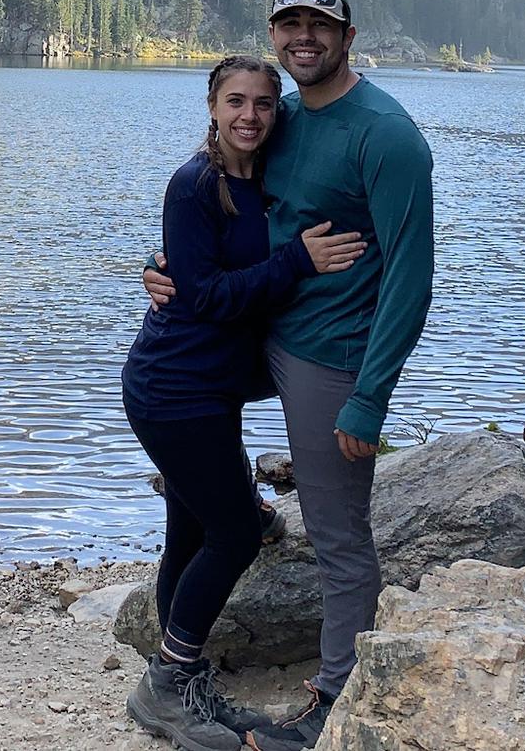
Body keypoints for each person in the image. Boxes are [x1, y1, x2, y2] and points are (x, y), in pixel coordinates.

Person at [145, 0, 435, 751]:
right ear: (275, 36)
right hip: (255, 344)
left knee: (340, 536)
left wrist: (370, 397)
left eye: (319, 25)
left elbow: (412, 274)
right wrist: (164, 264)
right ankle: (178, 674)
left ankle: (333, 703)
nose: (303, 36)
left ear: (346, 34)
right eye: (289, 24)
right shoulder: (287, 117)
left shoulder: (387, 134)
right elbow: (240, 220)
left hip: (328, 355)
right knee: (199, 515)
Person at [122, 55, 364, 751]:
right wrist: (295, 263)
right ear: (211, 105)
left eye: (263, 102)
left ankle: (180, 679)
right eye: (235, 101)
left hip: (213, 389)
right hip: (173, 388)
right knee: (235, 534)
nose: (249, 116)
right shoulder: (195, 183)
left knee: (192, 533)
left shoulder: (270, 178)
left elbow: (212, 265)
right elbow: (203, 295)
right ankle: (168, 687)